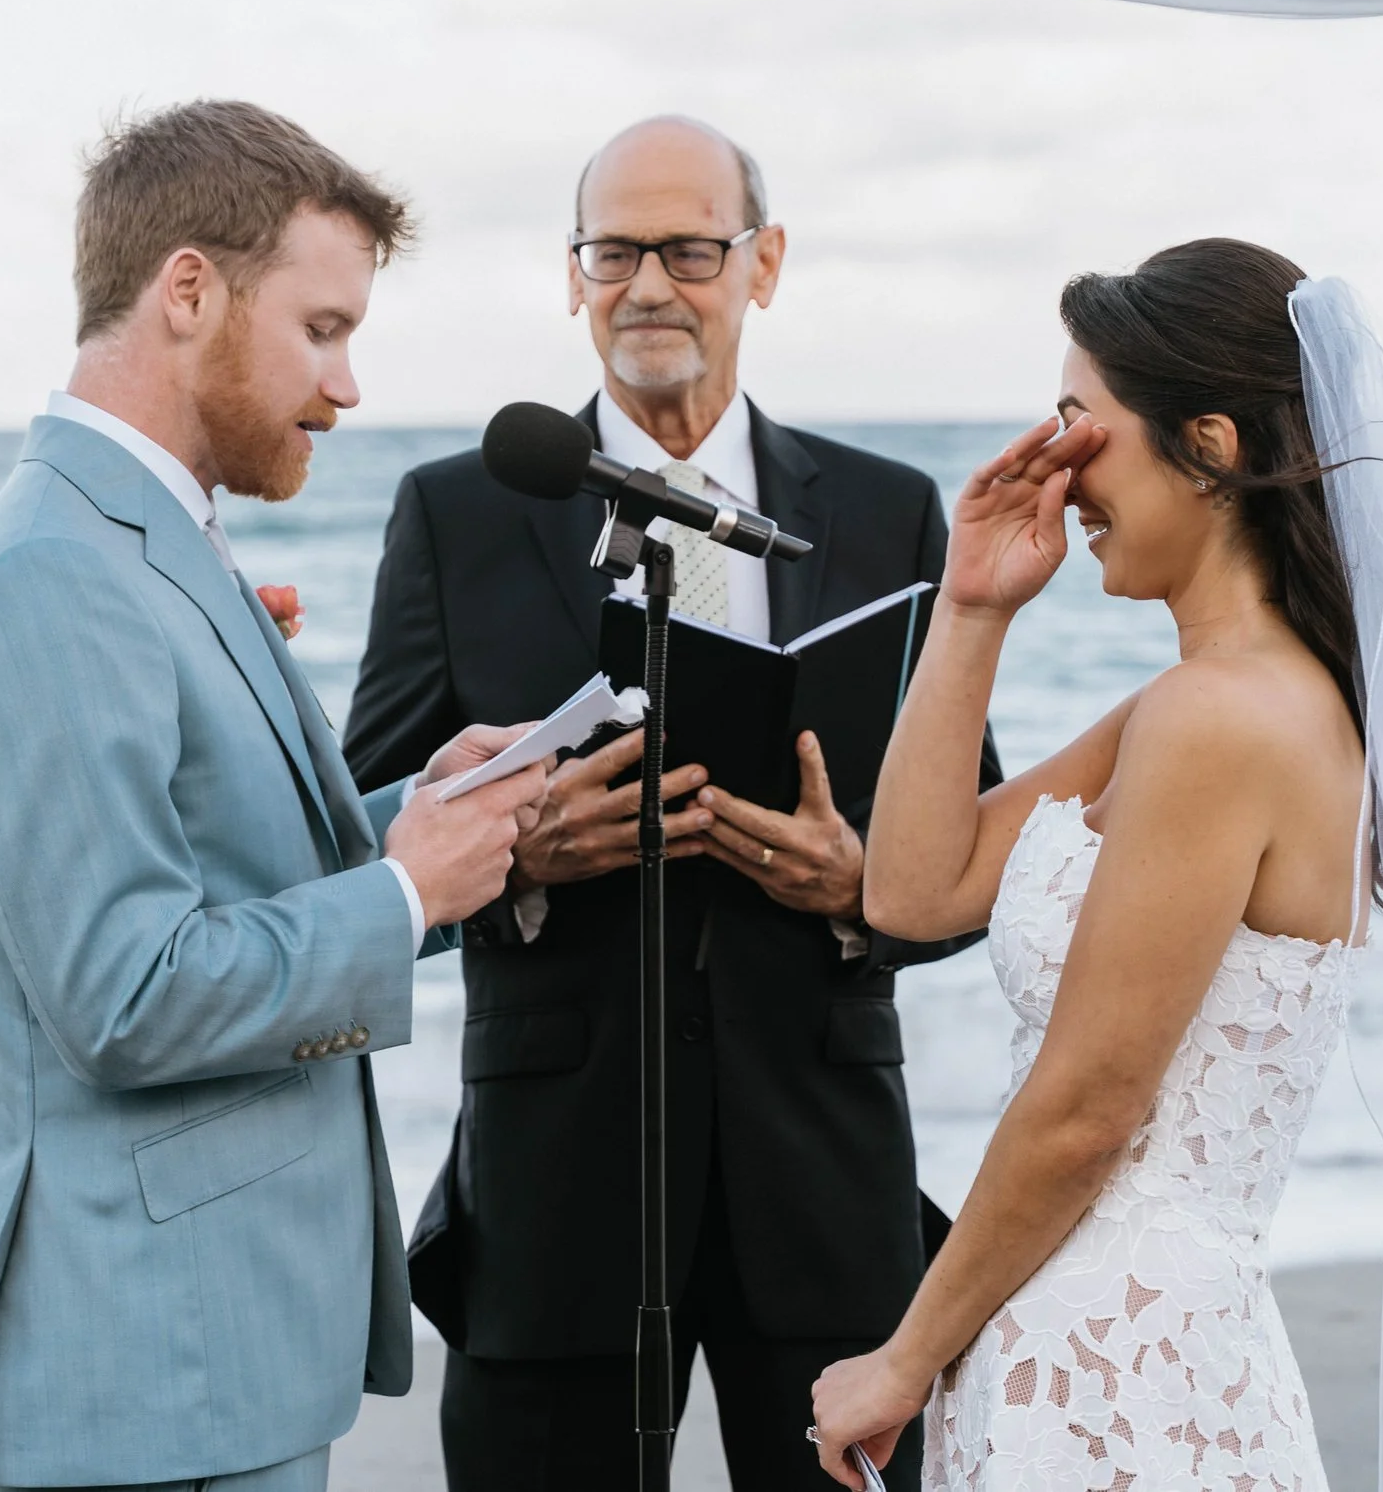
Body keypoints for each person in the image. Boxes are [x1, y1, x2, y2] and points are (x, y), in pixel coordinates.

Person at [0, 100, 546, 1492]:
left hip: (211, 1336)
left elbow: (217, 871)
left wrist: (418, 822)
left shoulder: (150, 532)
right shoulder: (53, 573)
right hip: (149, 1350)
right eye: (322, 329)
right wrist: (408, 885)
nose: (348, 383)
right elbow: (124, 992)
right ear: (188, 290)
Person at [343, 115, 998, 1492]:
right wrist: (512, 854)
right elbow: (363, 843)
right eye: (614, 249)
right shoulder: (456, 512)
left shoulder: (889, 512)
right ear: (572, 274)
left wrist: (856, 886)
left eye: (690, 248)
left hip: (821, 1184)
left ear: (762, 264)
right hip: (553, 1186)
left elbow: (974, 850)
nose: (649, 282)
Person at [808, 239, 1371, 1489]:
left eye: (1080, 424)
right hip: (1107, 1333)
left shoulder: (1219, 721)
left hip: (1119, 1368)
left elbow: (1087, 1108)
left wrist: (902, 1355)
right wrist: (969, 610)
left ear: (1210, 447)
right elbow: (912, 891)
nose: (1058, 471)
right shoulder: (1198, 701)